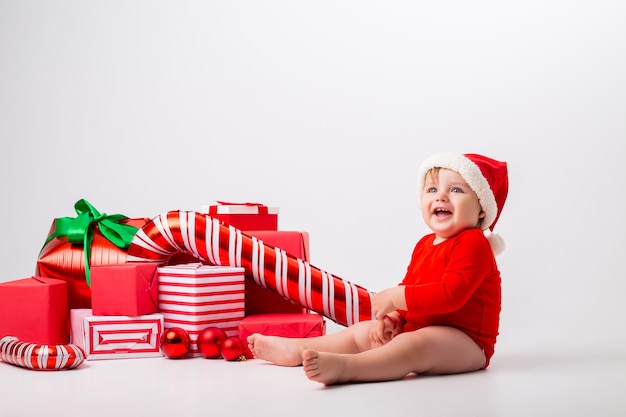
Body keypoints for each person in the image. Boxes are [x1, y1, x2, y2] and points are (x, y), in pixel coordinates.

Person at [247, 152, 509, 385]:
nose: (440, 196)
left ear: (482, 211)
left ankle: (348, 368)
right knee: (364, 333)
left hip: (467, 342)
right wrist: (395, 318)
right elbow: (413, 288)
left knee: (413, 344)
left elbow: (450, 294)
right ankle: (297, 348)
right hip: (423, 332)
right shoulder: (424, 244)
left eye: (456, 190)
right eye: (431, 190)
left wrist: (395, 298)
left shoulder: (473, 243)